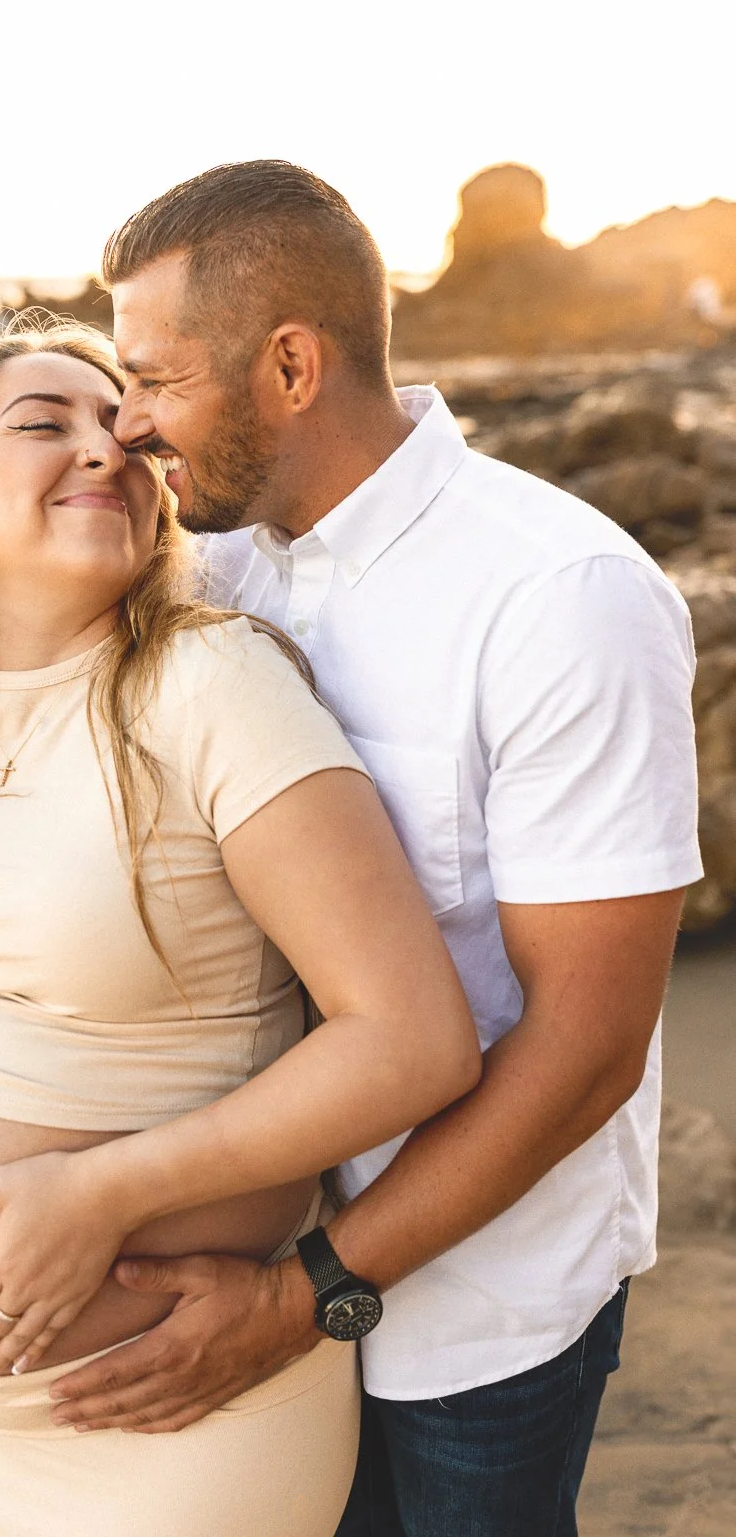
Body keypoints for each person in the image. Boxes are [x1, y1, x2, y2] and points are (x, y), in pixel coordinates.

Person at [38, 162, 703, 1537]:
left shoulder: (554, 598)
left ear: (288, 365)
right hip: (233, 1260)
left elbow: (583, 1046)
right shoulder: (204, 573)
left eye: (154, 381)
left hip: (478, 1310)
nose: (129, 425)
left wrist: (309, 1297)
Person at [0, 322, 480, 1536]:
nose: (107, 448)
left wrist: (101, 1193)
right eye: (45, 423)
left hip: (167, 1414)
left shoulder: (210, 685)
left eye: (123, 428)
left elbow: (412, 1040)